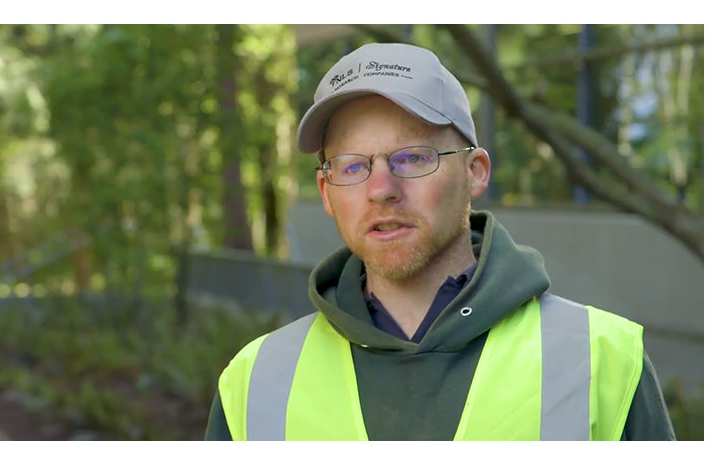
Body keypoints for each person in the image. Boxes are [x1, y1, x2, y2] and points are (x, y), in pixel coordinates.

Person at [204, 42, 676, 441]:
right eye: (351, 165)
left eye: (412, 157)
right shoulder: (255, 382)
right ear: (327, 193)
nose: (381, 188)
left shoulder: (604, 360)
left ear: (475, 173)